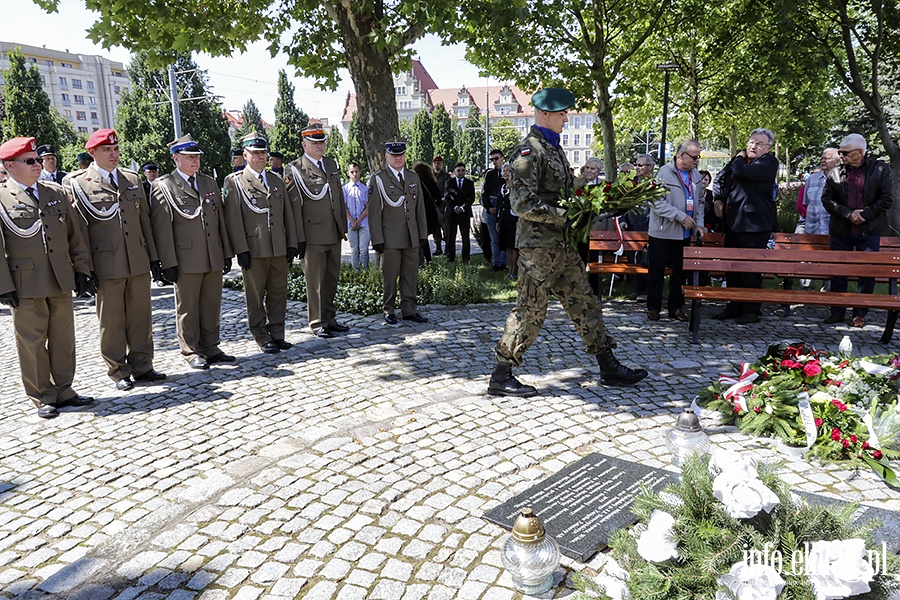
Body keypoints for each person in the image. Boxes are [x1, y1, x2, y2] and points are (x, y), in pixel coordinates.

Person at [489, 88, 648, 396]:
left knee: (586, 304)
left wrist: (602, 198)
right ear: (545, 114)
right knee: (531, 312)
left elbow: (563, 189)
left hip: (562, 246)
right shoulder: (529, 151)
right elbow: (522, 203)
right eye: (562, 113)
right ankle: (501, 375)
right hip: (538, 249)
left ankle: (608, 367)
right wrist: (567, 214)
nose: (566, 118)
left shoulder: (554, 149)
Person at [63, 128, 166, 391]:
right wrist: (84, 268)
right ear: (92, 153)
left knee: (141, 316)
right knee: (112, 320)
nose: (113, 154)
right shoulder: (78, 183)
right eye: (107, 150)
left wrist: (153, 258)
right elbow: (79, 232)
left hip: (137, 261)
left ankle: (143, 365)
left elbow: (145, 223)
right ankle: (118, 369)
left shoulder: (131, 179)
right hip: (105, 264)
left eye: (116, 149)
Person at [0, 136, 95, 418]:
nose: (37, 165)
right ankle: (42, 395)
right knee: (32, 341)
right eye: (29, 161)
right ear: (9, 165)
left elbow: (75, 236)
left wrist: (82, 270)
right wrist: (3, 286)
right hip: (24, 282)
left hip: (59, 276)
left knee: (63, 337)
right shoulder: (2, 197)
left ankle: (64, 390)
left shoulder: (54, 192)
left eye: (38, 160)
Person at [149, 134, 235, 370]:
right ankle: (191, 350)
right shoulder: (164, 186)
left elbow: (220, 221)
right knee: (187, 307)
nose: (195, 161)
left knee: (211, 304)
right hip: (185, 258)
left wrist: (226, 252)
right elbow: (162, 228)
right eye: (190, 157)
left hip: (212, 255)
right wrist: (168, 262)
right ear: (176, 158)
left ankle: (211, 347)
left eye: (197, 156)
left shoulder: (207, 183)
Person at [223, 132, 298, 354]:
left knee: (278, 293)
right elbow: (233, 219)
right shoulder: (234, 182)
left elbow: (287, 215)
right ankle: (261, 335)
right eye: (255, 153)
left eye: (263, 152)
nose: (260, 157)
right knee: (255, 297)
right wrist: (240, 249)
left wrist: (291, 242)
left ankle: (277, 334)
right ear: (245, 155)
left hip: (277, 246)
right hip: (253, 249)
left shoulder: (275, 180)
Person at [821, 133, 893, 327]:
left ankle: (859, 313)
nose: (841, 155)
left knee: (866, 273)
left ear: (860, 152)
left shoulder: (880, 169)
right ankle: (837, 311)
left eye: (845, 152)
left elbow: (886, 199)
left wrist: (865, 214)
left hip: (868, 230)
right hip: (841, 230)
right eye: (840, 152)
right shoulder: (835, 172)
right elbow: (827, 200)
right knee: (838, 272)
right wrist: (848, 214)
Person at [285, 123, 348, 339]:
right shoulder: (295, 169)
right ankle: (317, 322)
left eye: (322, 141)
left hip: (333, 231)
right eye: (315, 142)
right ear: (304, 144)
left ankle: (330, 318)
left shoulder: (331, 164)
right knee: (315, 281)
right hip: (311, 235)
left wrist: (342, 226)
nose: (320, 146)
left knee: (331, 278)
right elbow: (293, 206)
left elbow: (337, 197)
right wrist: (298, 238)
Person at [711, 128, 779, 324]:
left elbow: (741, 171)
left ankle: (751, 310)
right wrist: (717, 199)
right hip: (733, 222)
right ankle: (733, 305)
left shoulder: (768, 162)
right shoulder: (740, 161)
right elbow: (720, 179)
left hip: (754, 225)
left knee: (750, 269)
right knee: (732, 268)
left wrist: (738, 157)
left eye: (759, 143)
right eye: (751, 142)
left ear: (767, 147)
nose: (753, 146)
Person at [368, 138, 429, 325]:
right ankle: (389, 309)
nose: (398, 158)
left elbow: (420, 208)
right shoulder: (378, 179)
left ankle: (409, 309)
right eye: (394, 155)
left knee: (410, 274)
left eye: (401, 154)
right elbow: (374, 212)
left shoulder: (412, 177)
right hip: (390, 237)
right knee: (390, 275)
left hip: (411, 235)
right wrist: (377, 239)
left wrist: (423, 234)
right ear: (386, 156)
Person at [646, 140, 705, 322]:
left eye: (698, 157)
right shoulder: (664, 173)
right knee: (656, 272)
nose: (697, 161)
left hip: (684, 234)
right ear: (681, 155)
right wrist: (680, 216)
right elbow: (655, 202)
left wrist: (699, 224)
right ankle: (653, 308)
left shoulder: (695, 176)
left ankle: (676, 307)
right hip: (662, 232)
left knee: (680, 274)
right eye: (694, 157)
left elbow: (700, 202)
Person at [443, 162, 475, 263]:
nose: (461, 172)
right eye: (458, 171)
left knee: (465, 236)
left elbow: (472, 198)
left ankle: (466, 258)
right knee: (451, 236)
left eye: (462, 170)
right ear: (454, 172)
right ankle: (450, 257)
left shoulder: (469, 183)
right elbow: (447, 196)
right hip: (452, 213)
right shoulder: (449, 182)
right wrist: (455, 207)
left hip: (464, 213)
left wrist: (462, 207)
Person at [411, 161, 442, 265]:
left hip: (419, 213)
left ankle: (424, 259)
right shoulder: (432, 182)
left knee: (421, 236)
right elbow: (439, 199)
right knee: (426, 235)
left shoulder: (415, 184)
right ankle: (429, 258)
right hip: (431, 213)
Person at [804, 148, 840, 236]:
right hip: (812, 232)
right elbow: (806, 203)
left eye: (827, 158)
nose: (823, 161)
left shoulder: (843, 180)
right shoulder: (812, 179)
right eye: (822, 158)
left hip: (835, 233)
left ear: (837, 161)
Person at [482, 148, 507, 271]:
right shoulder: (490, 174)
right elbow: (484, 193)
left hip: (503, 206)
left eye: (496, 158)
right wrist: (489, 207)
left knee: (504, 236)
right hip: (491, 206)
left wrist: (500, 208)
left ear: (502, 158)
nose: (494, 161)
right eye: (492, 159)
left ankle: (504, 262)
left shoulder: (508, 172)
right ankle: (496, 263)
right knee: (494, 238)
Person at [343, 162, 370, 271]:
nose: (354, 174)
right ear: (348, 173)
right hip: (350, 223)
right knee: (354, 249)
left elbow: (368, 207)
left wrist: (358, 221)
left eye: (356, 172)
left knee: (363, 249)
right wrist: (352, 221)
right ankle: (356, 272)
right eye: (352, 172)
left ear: (360, 172)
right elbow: (344, 207)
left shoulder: (365, 189)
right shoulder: (344, 189)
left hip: (363, 223)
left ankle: (365, 271)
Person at [496, 162, 519, 279]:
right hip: (503, 219)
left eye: (508, 171)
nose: (505, 173)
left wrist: (517, 220)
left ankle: (514, 271)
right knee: (507, 247)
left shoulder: (515, 188)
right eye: (504, 170)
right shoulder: (502, 187)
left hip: (513, 220)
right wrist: (498, 221)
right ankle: (509, 269)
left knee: (514, 246)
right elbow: (500, 205)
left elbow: (518, 205)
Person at [431, 156, 449, 255]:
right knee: (435, 228)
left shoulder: (446, 176)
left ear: (442, 164)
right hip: (433, 205)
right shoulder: (430, 176)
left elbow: (448, 190)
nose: (437, 164)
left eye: (439, 163)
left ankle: (447, 248)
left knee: (445, 227)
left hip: (443, 205)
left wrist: (443, 200)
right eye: (435, 163)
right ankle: (438, 248)